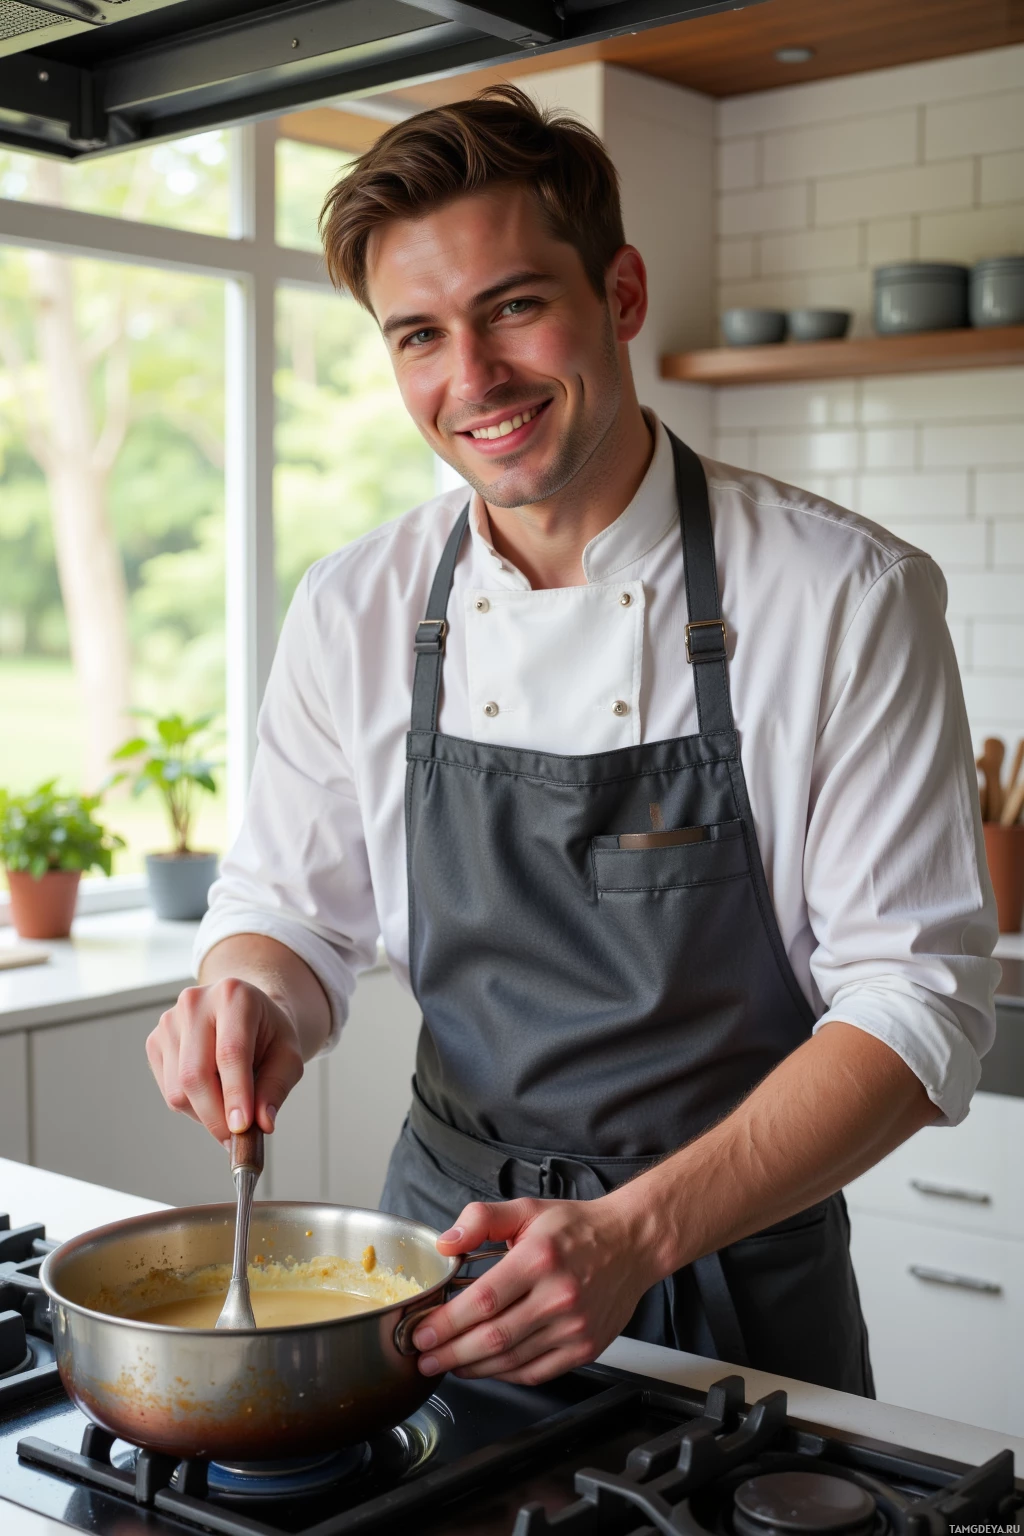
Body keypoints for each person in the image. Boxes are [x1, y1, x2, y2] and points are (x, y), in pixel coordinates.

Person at [148, 85, 998, 1395]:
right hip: (431, 1272)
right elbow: (293, 914)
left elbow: (919, 1000)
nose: (471, 379)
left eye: (514, 307)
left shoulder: (843, 596)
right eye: (418, 334)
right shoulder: (355, 606)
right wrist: (250, 998)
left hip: (732, 1279)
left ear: (625, 291)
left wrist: (634, 1233)